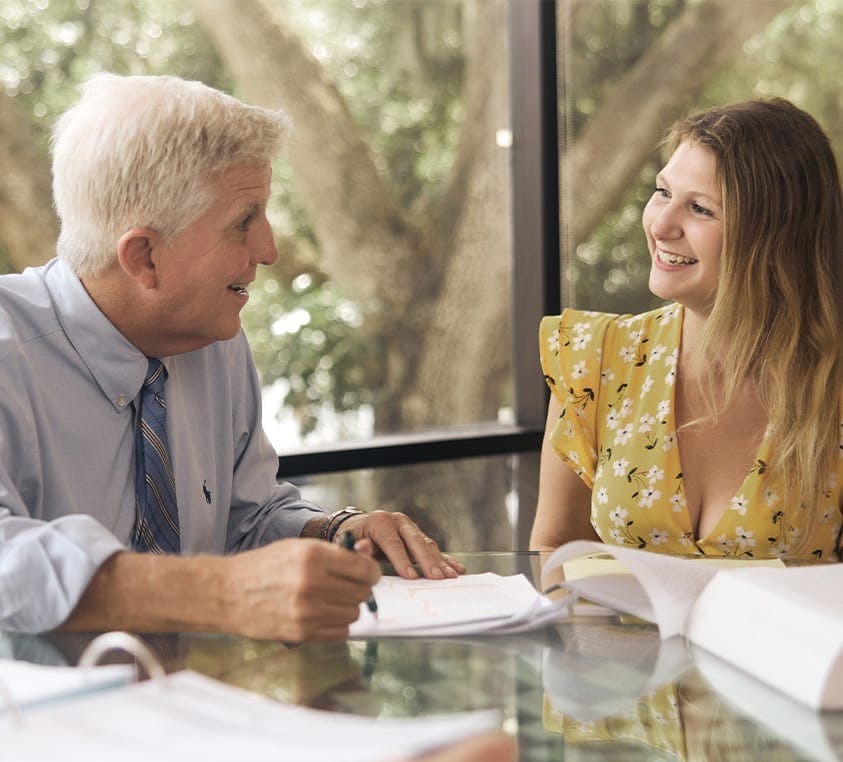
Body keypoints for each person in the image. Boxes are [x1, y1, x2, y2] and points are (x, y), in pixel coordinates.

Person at [0, 72, 467, 640]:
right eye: (244, 221)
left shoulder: (211, 340)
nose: (268, 250)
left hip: (200, 709)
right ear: (143, 255)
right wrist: (215, 593)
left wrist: (336, 533)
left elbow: (245, 519)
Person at [531, 98, 842, 560]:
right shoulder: (592, 358)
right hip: (614, 635)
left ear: (777, 236)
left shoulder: (831, 384)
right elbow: (555, 547)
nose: (660, 225)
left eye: (700, 208)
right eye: (662, 192)